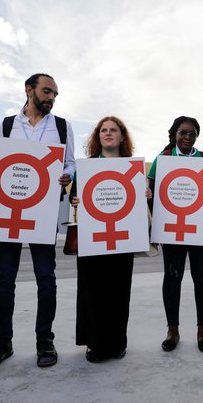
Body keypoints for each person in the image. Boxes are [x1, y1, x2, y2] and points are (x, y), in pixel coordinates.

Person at [0, 73, 75, 370]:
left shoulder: (61, 125)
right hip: (8, 212)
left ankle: (45, 340)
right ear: (29, 90)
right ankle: (1, 342)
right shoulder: (7, 125)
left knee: (46, 278)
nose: (52, 97)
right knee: (4, 279)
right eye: (47, 91)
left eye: (55, 94)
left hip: (42, 212)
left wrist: (67, 174)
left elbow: (69, 160)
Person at [70, 116, 144, 362]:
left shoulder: (132, 168)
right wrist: (76, 200)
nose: (108, 133)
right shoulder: (87, 166)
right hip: (92, 238)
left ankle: (117, 343)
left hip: (122, 239)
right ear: (97, 136)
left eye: (114, 130)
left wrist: (146, 193)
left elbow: (137, 202)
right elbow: (75, 197)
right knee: (92, 291)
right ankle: (94, 343)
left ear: (122, 136)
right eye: (104, 130)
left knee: (119, 291)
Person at [147, 116, 203, 353]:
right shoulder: (163, 159)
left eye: (192, 133)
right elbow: (150, 191)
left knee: (202, 279)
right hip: (172, 231)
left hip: (200, 231)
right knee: (172, 280)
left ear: (197, 136)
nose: (187, 137)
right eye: (183, 132)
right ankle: (172, 330)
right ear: (174, 133)